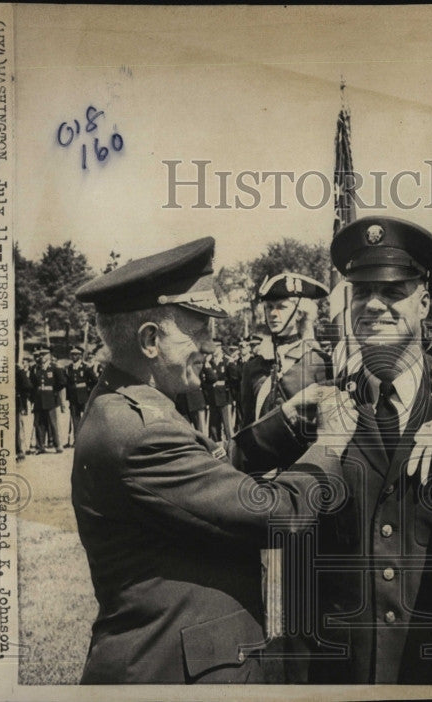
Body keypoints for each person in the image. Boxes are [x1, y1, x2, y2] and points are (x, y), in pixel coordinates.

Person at [238, 216, 432, 684]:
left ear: (424, 302)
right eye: (360, 291)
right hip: (340, 674)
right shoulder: (317, 409)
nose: (374, 304)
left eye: (392, 291)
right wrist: (286, 420)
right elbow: (239, 478)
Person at [71, 236, 342, 684]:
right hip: (175, 672)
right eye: (199, 329)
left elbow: (207, 469)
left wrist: (287, 421)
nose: (211, 346)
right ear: (150, 340)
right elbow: (276, 513)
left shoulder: (125, 404)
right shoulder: (142, 430)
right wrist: (331, 442)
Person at [250, 273, 333, 422]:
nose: (273, 314)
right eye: (269, 307)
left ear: (299, 314)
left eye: (281, 307)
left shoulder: (318, 361)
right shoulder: (254, 364)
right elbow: (247, 424)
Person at [30, 347, 66, 453]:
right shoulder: (35, 368)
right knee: (39, 423)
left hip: (51, 399)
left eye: (44, 354)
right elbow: (32, 384)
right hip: (38, 399)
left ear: (49, 355)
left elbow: (62, 382)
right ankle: (40, 446)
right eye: (41, 355)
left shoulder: (54, 368)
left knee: (53, 423)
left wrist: (54, 392)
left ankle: (58, 445)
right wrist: (33, 398)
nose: (42, 357)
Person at [200, 342, 233, 441]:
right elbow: (204, 379)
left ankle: (231, 446)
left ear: (220, 348)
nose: (213, 350)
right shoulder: (208, 362)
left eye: (215, 347)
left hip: (224, 397)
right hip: (212, 397)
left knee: (227, 426)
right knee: (213, 426)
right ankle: (217, 446)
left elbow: (234, 379)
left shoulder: (227, 361)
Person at [64, 346, 96, 447]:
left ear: (80, 356)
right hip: (73, 398)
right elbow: (68, 384)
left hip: (84, 397)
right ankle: (77, 441)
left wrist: (88, 391)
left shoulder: (86, 367)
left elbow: (95, 381)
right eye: (72, 354)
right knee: (75, 419)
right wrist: (68, 397)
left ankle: (89, 441)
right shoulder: (68, 368)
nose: (73, 356)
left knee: (87, 419)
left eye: (76, 354)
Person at [16, 356, 34, 461]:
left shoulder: (19, 371)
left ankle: (21, 450)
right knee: (18, 427)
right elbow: (28, 385)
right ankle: (20, 450)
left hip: (19, 402)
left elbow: (28, 386)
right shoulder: (18, 371)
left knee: (19, 427)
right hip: (18, 402)